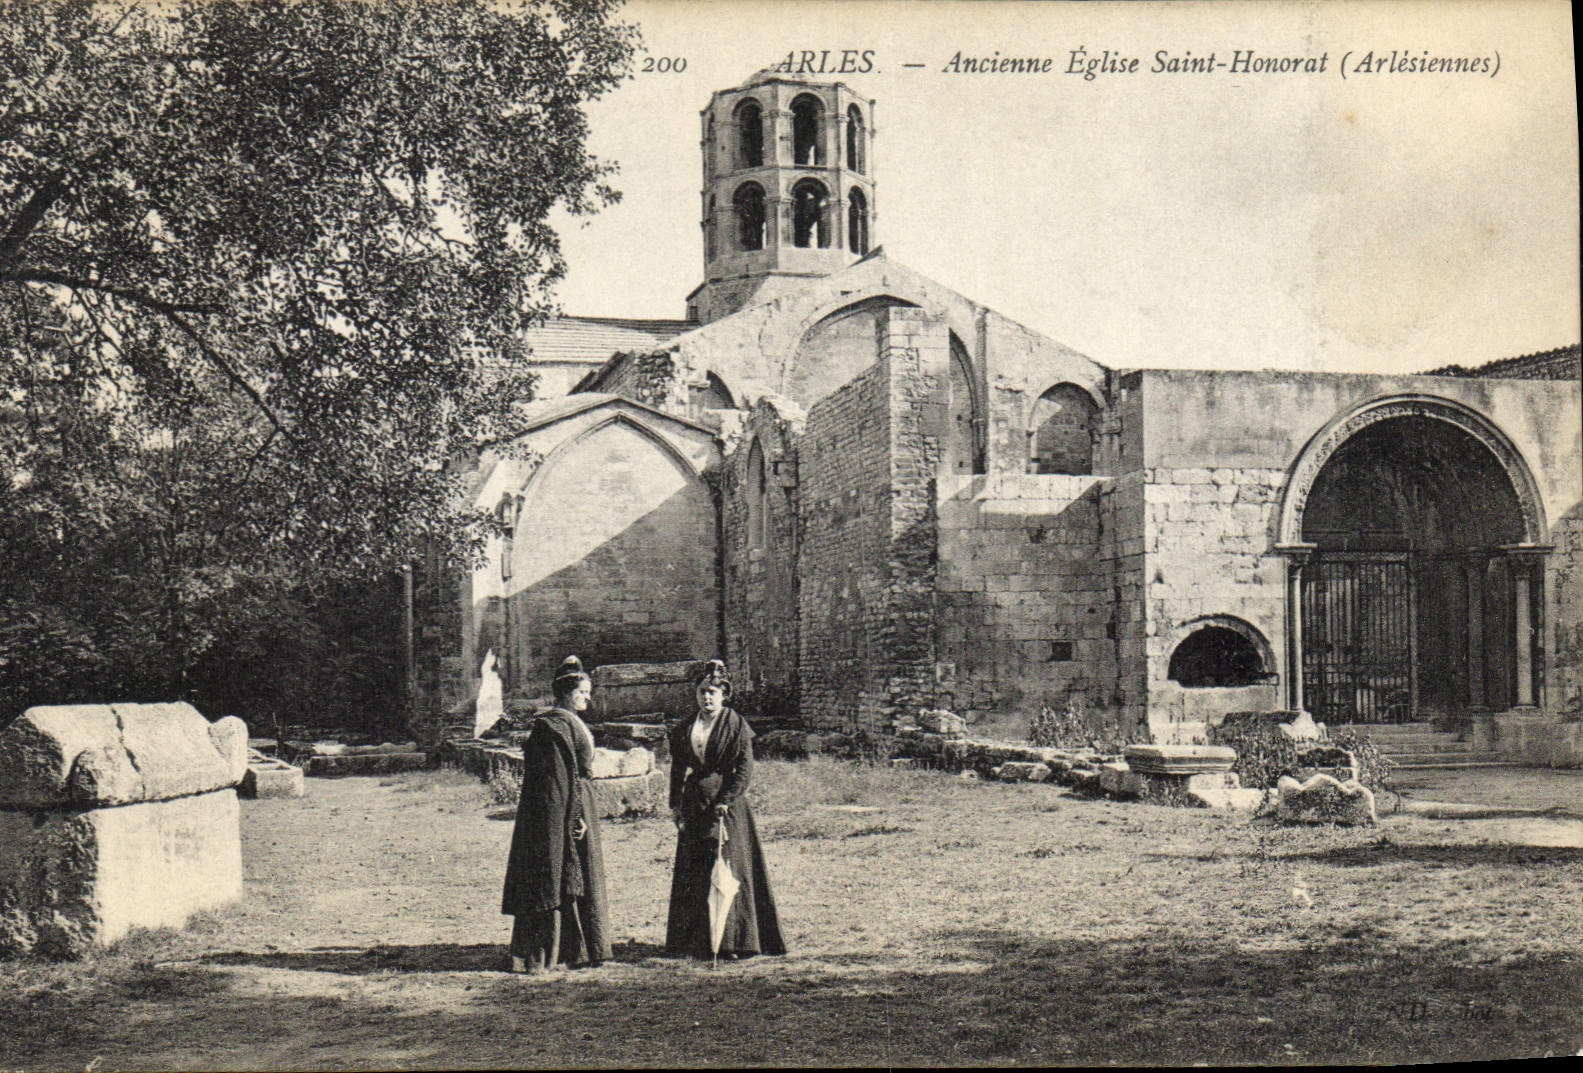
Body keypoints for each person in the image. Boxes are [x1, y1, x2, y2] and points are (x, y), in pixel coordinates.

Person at [664, 660, 785, 960]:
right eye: (702, 691)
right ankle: (696, 941)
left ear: (724, 695)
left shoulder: (735, 724)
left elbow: (744, 768)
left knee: (728, 867)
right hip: (695, 804)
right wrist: (675, 805)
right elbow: (677, 768)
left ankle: (734, 941)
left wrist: (726, 799)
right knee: (696, 869)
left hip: (726, 806)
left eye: (713, 692)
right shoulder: (686, 727)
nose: (707, 697)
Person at [500, 656, 611, 972]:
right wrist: (574, 817)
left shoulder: (571, 722)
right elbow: (556, 784)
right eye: (582, 692)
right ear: (565, 694)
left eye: (588, 692)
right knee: (559, 870)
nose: (587, 698)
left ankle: (584, 946)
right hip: (565, 810)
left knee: (583, 872)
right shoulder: (553, 728)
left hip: (581, 802)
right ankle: (562, 948)